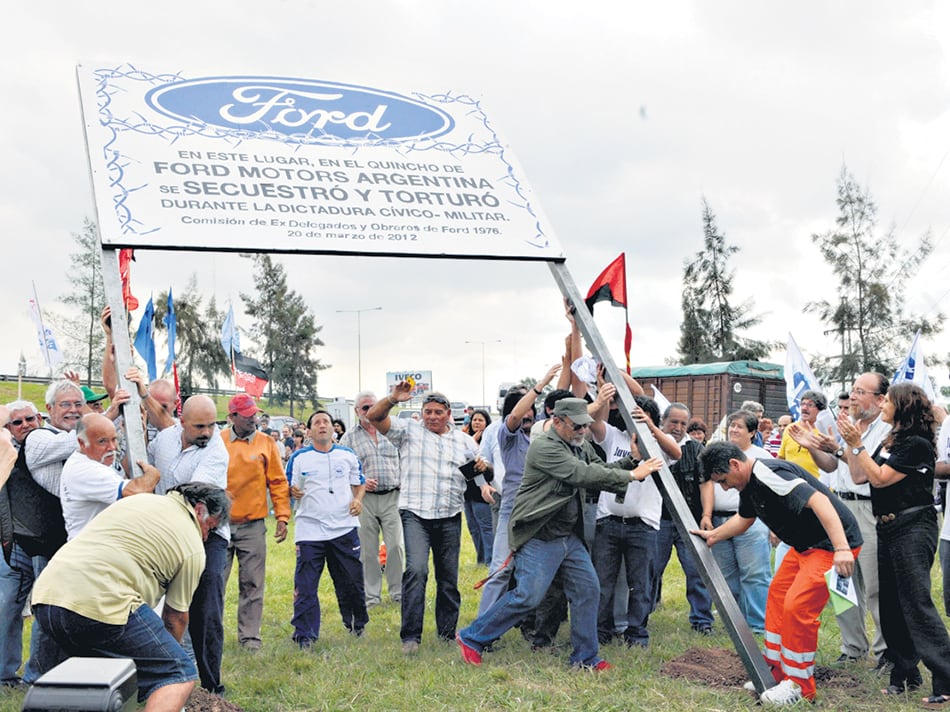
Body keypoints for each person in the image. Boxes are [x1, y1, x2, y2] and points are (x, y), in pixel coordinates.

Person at [456, 397, 663, 669]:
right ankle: (472, 637)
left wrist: (632, 461)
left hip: (567, 535)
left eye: (585, 425)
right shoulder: (544, 447)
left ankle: (585, 657)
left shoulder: (579, 444)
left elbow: (599, 470)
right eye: (577, 426)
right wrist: (633, 475)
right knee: (528, 596)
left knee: (588, 589)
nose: (583, 430)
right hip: (539, 533)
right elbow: (581, 475)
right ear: (556, 421)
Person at [29, 482, 231, 712]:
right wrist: (166, 658)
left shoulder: (138, 500)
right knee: (179, 673)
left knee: (98, 679)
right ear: (199, 510)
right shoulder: (193, 546)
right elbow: (175, 618)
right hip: (103, 602)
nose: (205, 537)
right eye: (209, 528)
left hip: (47, 597)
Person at [694, 441, 861, 705]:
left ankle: (799, 687)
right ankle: (776, 670)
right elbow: (745, 518)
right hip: (803, 546)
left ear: (735, 464)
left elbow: (820, 502)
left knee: (797, 607)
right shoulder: (749, 484)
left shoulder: (768, 474)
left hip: (829, 546)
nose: (724, 487)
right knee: (777, 598)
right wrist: (714, 535)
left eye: (723, 480)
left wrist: (841, 548)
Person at [839, 383, 950, 704]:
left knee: (916, 604)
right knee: (891, 606)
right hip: (887, 526)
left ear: (903, 407)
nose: (882, 404)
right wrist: (849, 445)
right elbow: (861, 476)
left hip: (913, 526)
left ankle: (945, 679)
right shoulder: (892, 440)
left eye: (887, 400)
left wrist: (857, 444)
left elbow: (880, 478)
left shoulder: (916, 444)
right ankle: (904, 674)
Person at [366, 385, 484, 654]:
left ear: (448, 414)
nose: (432, 417)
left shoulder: (464, 441)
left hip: (450, 514)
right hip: (415, 513)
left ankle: (446, 633)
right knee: (416, 571)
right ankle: (411, 637)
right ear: (421, 413)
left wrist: (484, 476)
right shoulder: (408, 431)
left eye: (438, 412)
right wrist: (393, 399)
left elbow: (477, 469)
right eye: (427, 412)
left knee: (448, 577)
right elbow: (374, 417)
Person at [787, 373, 890, 668]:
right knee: (842, 582)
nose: (852, 396)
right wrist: (812, 446)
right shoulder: (850, 425)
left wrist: (840, 448)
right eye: (852, 390)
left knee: (874, 585)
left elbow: (865, 471)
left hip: (869, 508)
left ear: (879, 399)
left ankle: (886, 652)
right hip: (842, 507)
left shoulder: (886, 430)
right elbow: (831, 465)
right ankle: (853, 647)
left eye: (860, 392)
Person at [149, 395, 230, 696]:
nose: (207, 432)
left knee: (205, 609)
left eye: (211, 425)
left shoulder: (216, 451)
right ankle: (163, 680)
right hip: (166, 532)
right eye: (199, 426)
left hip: (207, 534)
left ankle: (210, 687)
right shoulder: (165, 439)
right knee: (159, 606)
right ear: (182, 422)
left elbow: (191, 496)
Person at [590, 389, 678, 648]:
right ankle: (601, 631)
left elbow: (677, 453)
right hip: (609, 522)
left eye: (644, 417)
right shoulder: (614, 436)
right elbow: (593, 423)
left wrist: (650, 427)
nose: (637, 421)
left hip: (643, 526)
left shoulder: (658, 443)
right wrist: (602, 397)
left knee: (640, 584)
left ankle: (637, 634)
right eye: (634, 416)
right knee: (603, 582)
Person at [288, 410, 367, 645]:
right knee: (306, 585)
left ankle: (356, 624)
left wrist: (358, 500)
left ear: (334, 429)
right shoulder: (299, 458)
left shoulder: (347, 455)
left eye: (326, 422)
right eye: (317, 423)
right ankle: (305, 634)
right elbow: (288, 487)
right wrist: (292, 492)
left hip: (344, 528)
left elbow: (359, 483)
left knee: (351, 581)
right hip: (310, 529)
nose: (322, 425)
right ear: (309, 431)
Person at [220, 394, 290, 652]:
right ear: (232, 417)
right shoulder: (218, 442)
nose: (253, 419)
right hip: (219, 526)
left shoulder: (266, 442)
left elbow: (278, 482)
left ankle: (249, 637)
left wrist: (282, 516)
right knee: (215, 582)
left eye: (255, 414)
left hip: (253, 525)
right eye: (247, 415)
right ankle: (210, 634)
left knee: (252, 582)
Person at [700, 411, 772, 634]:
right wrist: (707, 514)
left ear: (752, 432)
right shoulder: (717, 453)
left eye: (739, 426)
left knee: (754, 574)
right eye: (732, 425)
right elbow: (706, 483)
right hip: (720, 520)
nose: (733, 429)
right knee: (727, 576)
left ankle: (758, 625)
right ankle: (736, 624)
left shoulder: (761, 456)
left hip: (752, 521)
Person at [652, 402, 714, 635]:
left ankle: (702, 621)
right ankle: (641, 617)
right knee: (650, 570)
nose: (678, 428)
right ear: (663, 421)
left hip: (690, 522)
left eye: (683, 423)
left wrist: (706, 515)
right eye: (673, 422)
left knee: (697, 571)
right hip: (658, 519)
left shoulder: (696, 449)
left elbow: (705, 483)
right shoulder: (651, 444)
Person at [341, 391, 404, 608]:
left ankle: (398, 593)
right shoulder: (349, 437)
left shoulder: (391, 430)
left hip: (392, 496)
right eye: (365, 408)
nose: (369, 411)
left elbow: (404, 458)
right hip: (364, 499)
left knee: (395, 546)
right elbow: (343, 469)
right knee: (368, 550)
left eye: (372, 406)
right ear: (356, 411)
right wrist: (360, 481)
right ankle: (371, 596)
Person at [59, 413, 160, 539]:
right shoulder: (87, 470)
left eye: (114, 439)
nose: (112, 447)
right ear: (82, 442)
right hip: (93, 547)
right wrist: (153, 475)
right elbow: (136, 492)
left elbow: (123, 474)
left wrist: (139, 436)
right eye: (102, 441)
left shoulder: (97, 458)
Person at [0, 404, 34, 687]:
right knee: (7, 608)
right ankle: (5, 675)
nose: (25, 424)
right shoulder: (6, 453)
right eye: (17, 422)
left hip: (47, 543)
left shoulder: (51, 447)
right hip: (12, 545)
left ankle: (39, 675)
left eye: (30, 419)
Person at [463, 408, 494, 566]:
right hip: (467, 490)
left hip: (483, 490)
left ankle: (490, 560)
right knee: (473, 527)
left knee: (486, 526)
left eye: (480, 420)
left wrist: (474, 445)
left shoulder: (488, 441)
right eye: (474, 420)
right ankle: (481, 559)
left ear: (487, 423)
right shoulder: (464, 439)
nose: (477, 422)